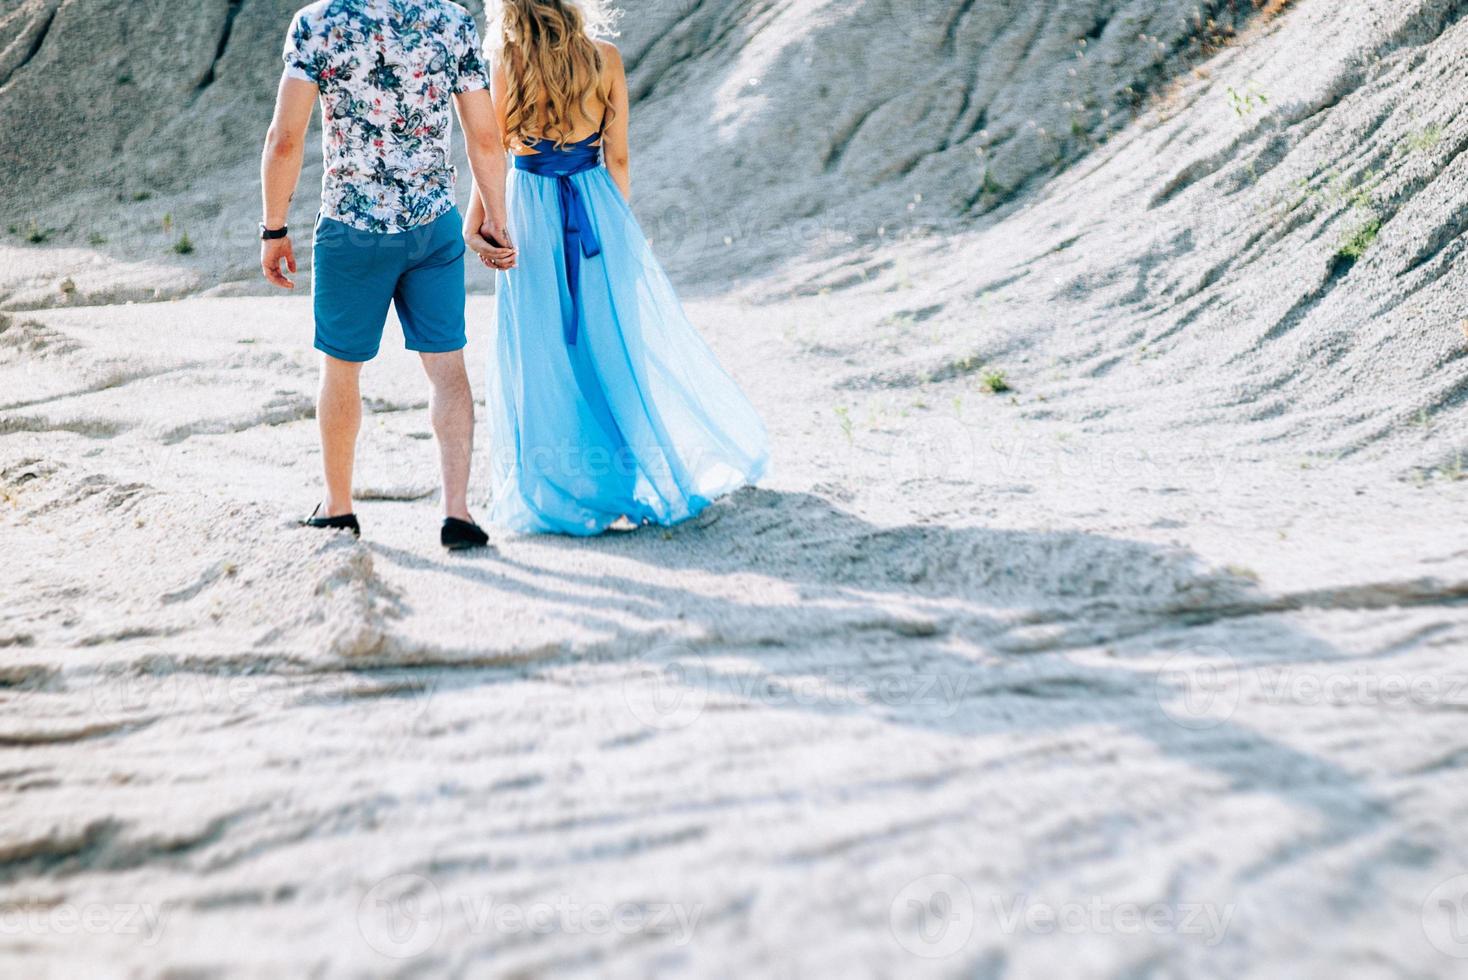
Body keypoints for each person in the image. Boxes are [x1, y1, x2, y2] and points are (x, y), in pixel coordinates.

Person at [465, 0, 770, 536]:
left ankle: (557, 490)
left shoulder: (506, 63)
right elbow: (619, 157)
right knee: (611, 344)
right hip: (595, 207)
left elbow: (492, 150)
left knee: (542, 352)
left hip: (528, 211)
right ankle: (629, 481)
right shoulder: (604, 58)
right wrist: (618, 233)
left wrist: (482, 223)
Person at [258, 0, 518, 551]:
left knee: (341, 371)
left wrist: (273, 227)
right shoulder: (449, 20)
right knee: (447, 370)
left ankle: (338, 507)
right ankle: (457, 513)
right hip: (432, 226)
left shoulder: (317, 23)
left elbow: (286, 137)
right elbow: (485, 136)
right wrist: (495, 217)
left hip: (351, 230)